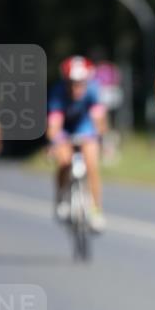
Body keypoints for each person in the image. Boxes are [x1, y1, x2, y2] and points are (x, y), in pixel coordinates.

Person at [47, 55, 108, 233]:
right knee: (64, 161)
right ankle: (61, 199)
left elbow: (99, 119)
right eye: (72, 83)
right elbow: (54, 123)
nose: (76, 87)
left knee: (92, 165)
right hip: (64, 129)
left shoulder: (93, 90)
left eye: (81, 83)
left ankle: (96, 210)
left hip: (85, 127)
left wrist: (102, 139)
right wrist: (54, 142)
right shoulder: (58, 92)